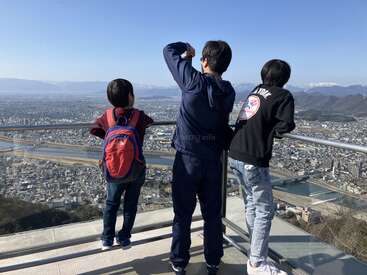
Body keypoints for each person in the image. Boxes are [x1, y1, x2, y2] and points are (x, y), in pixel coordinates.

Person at [163, 41, 235, 275]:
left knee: (182, 215)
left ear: (205, 60)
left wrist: (186, 50)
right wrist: (194, 60)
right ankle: (213, 261)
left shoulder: (193, 81)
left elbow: (168, 51)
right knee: (212, 215)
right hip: (214, 160)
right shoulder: (229, 91)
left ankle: (179, 262)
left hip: (187, 159)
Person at [229, 59, 295, 275]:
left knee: (250, 204)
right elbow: (285, 124)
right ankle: (257, 262)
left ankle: (255, 253)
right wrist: (273, 130)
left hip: (235, 152)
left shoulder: (255, 91)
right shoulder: (283, 95)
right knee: (266, 210)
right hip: (253, 158)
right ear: (285, 78)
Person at [90, 78, 154, 251]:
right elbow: (150, 121)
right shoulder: (139, 116)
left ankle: (107, 238)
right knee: (131, 204)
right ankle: (124, 237)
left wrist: (112, 139)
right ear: (130, 96)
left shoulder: (107, 116)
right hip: (136, 168)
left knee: (112, 203)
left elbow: (93, 129)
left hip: (114, 170)